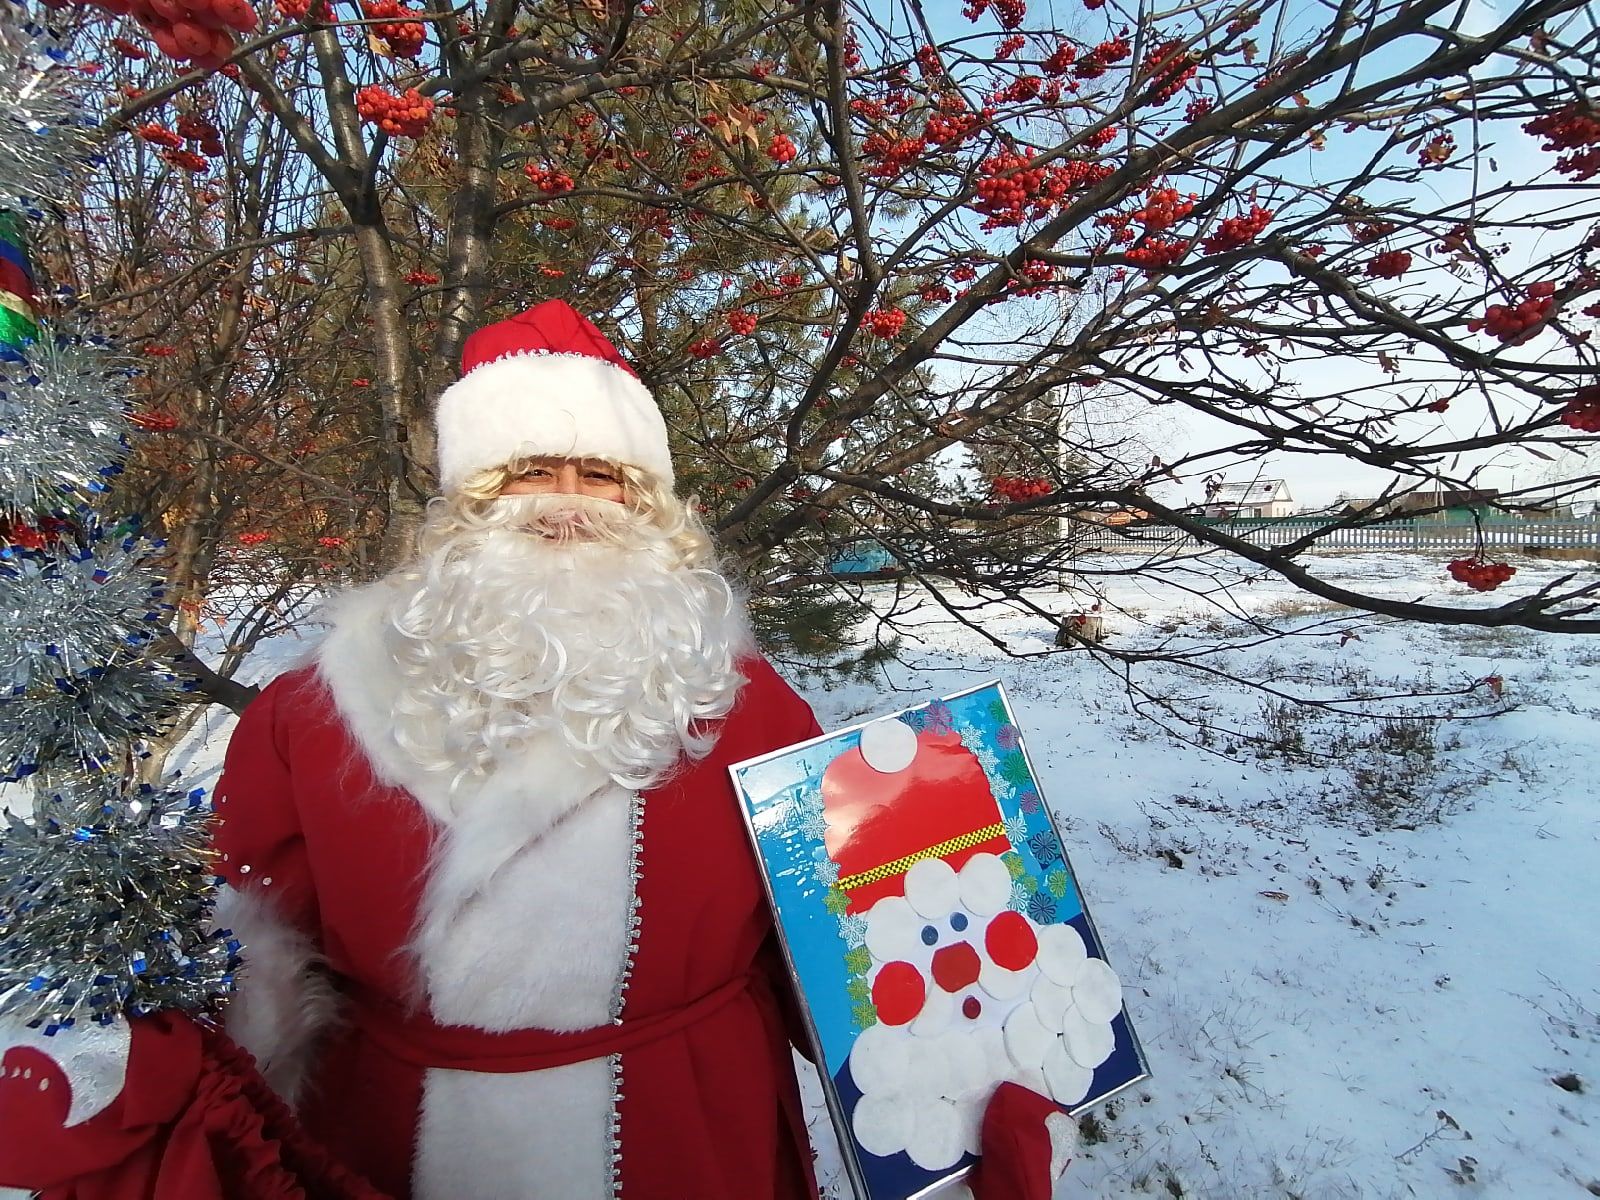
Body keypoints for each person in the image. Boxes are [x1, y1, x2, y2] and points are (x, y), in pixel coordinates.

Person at [0, 300, 1076, 1200]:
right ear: (469, 502)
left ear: (649, 507)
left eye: (602, 478)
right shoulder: (311, 712)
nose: (566, 506)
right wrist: (138, 1073)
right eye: (528, 472)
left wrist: (978, 1084)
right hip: (395, 1147)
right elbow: (249, 945)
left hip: (687, 1137)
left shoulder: (746, 701)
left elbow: (836, 946)